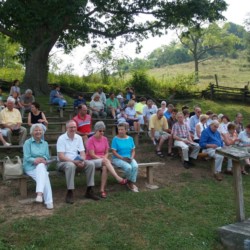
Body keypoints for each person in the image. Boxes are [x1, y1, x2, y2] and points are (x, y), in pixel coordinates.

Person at [57, 120, 99, 204]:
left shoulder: (78, 137)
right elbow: (61, 156)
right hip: (63, 163)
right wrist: (74, 162)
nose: (73, 129)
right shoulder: (61, 138)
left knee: (90, 164)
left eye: (74, 127)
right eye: (71, 127)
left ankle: (89, 190)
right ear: (67, 128)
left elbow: (82, 152)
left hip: (76, 161)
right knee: (70, 165)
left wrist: (82, 160)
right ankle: (70, 191)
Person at [86, 121, 128, 198]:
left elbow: (106, 152)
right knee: (106, 162)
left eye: (103, 131)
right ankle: (118, 178)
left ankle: (102, 190)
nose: (102, 132)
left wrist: (104, 157)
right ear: (95, 130)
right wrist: (103, 158)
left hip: (103, 161)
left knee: (105, 167)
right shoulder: (90, 140)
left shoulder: (105, 139)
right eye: (100, 131)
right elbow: (91, 154)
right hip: (91, 161)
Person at [23, 124, 53, 209]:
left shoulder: (45, 143)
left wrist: (43, 159)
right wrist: (35, 160)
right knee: (44, 177)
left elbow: (47, 156)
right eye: (36, 130)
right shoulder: (27, 143)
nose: (38, 132)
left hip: (42, 166)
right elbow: (27, 157)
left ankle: (39, 194)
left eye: (40, 130)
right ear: (32, 132)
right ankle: (49, 201)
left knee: (41, 167)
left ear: (42, 132)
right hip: (30, 167)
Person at [111, 123, 139, 192]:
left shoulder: (130, 139)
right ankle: (129, 183)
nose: (120, 131)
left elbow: (133, 151)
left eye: (122, 129)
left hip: (128, 158)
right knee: (128, 167)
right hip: (117, 158)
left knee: (135, 166)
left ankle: (130, 182)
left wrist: (132, 158)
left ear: (126, 130)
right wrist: (122, 158)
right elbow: (114, 152)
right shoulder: (115, 139)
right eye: (119, 129)